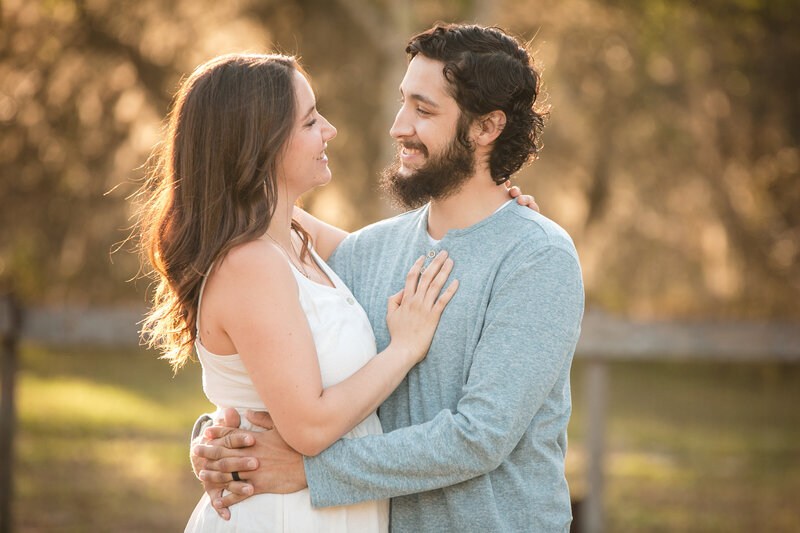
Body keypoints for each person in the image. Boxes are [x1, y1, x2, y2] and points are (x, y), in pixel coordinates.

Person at [193, 24, 585, 533]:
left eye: (423, 111)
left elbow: (480, 437)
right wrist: (222, 441)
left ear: (486, 127)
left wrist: (312, 471)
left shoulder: (538, 257)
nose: (399, 126)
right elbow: (283, 349)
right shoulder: (364, 253)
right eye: (403, 103)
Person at [135, 52, 475, 532]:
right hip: (281, 515)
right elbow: (309, 427)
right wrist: (403, 350)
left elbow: (410, 249)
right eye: (311, 120)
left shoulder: (294, 234)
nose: (329, 130)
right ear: (261, 144)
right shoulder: (249, 263)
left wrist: (496, 213)